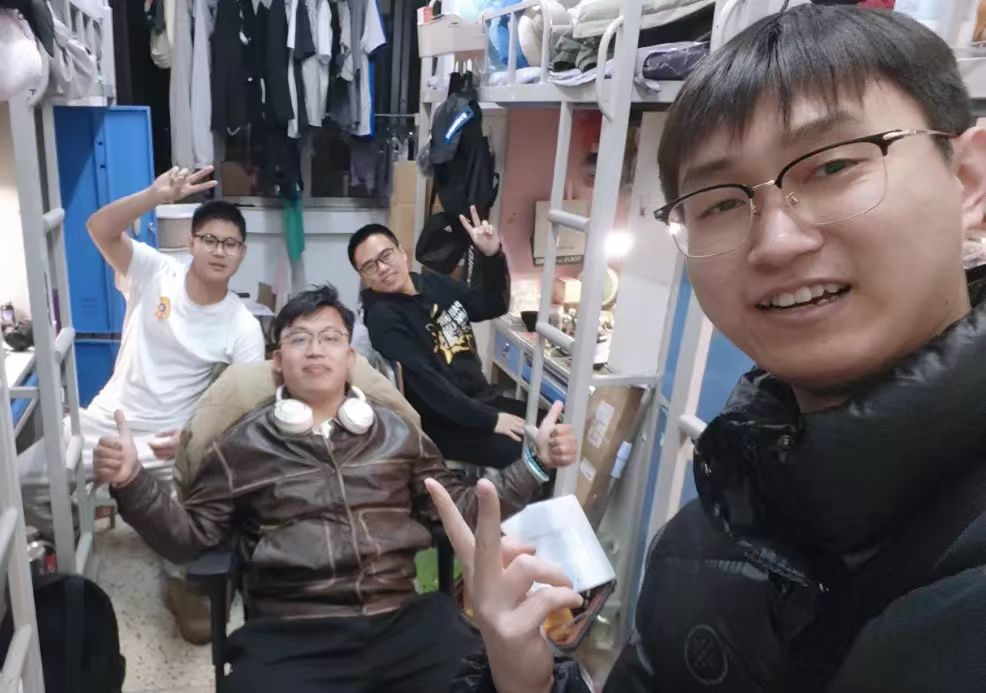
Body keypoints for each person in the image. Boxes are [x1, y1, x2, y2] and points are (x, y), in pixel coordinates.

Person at [428, 5, 986, 692]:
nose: (777, 241)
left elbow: (484, 308)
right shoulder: (703, 538)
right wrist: (527, 679)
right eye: (721, 202)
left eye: (833, 166)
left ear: (968, 180)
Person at [93, 284, 578, 693]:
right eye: (299, 339)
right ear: (278, 361)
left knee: (485, 678)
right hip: (292, 631)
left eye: (330, 338)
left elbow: (464, 512)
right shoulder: (238, 445)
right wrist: (132, 483)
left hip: (402, 620)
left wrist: (536, 463)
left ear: (350, 359)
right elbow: (191, 539)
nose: (315, 349)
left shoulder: (399, 433)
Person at [84, 166, 265, 643]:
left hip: (171, 440)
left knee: (201, 540)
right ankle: (50, 547)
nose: (220, 251)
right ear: (191, 242)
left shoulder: (242, 326)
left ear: (242, 253)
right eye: (210, 240)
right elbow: (98, 228)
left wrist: (192, 437)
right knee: (22, 482)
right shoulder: (153, 270)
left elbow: (246, 408)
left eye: (230, 244)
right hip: (108, 419)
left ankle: (179, 577)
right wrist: (152, 195)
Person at [350, 210, 529, 470]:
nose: (382, 268)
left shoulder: (431, 283)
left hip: (480, 399)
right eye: (369, 266)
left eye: (385, 255)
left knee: (555, 427)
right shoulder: (382, 317)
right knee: (529, 452)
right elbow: (429, 386)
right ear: (363, 277)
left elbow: (490, 305)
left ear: (402, 252)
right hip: (444, 423)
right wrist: (490, 420)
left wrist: (492, 256)